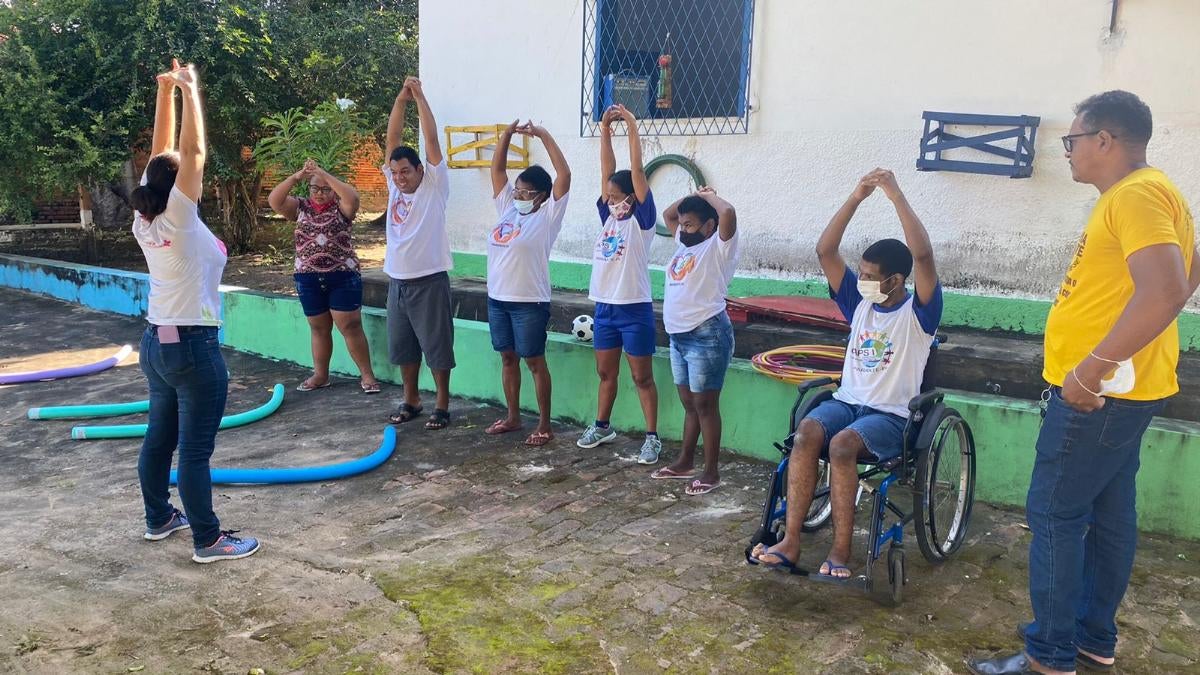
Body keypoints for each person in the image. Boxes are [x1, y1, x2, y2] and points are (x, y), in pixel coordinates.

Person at [968, 92, 1197, 675]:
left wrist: (1090, 368)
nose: (1066, 151)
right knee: (1111, 513)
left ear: (1104, 141)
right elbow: (1184, 278)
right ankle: (1094, 640)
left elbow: (1167, 289)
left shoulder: (1138, 194)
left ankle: (1049, 655)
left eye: (1072, 140)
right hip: (1128, 388)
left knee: (1054, 516)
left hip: (1099, 395)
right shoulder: (1155, 192)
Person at [748, 169, 942, 579]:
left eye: (871, 277)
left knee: (841, 446)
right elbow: (825, 250)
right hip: (848, 402)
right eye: (863, 274)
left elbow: (923, 256)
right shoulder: (860, 304)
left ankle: (840, 550)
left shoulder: (919, 313)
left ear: (896, 280)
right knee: (805, 435)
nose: (863, 281)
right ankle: (792, 540)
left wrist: (895, 195)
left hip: (890, 415)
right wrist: (856, 197)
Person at [130, 60, 259, 563]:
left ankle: (159, 518)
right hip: (192, 345)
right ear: (179, 183)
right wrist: (190, 90)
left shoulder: (147, 216)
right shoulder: (180, 217)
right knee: (196, 451)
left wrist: (165, 94)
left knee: (160, 439)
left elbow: (164, 156)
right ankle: (208, 539)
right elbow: (193, 151)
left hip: (155, 342)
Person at [577, 104, 662, 464]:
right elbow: (606, 170)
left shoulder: (641, 222)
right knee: (604, 372)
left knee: (641, 377)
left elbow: (637, 170)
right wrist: (604, 131)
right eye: (608, 198)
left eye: (616, 197)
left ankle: (652, 437)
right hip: (606, 308)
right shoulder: (608, 219)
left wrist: (629, 124)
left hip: (635, 309)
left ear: (632, 197)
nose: (610, 202)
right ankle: (602, 425)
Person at [483, 119, 571, 446]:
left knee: (534, 361)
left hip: (529, 303)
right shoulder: (507, 209)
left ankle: (544, 424)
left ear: (542, 196)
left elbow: (564, 176)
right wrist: (506, 136)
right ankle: (512, 416)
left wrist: (544, 135)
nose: (518, 195)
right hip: (498, 299)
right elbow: (497, 172)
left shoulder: (547, 217)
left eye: (525, 192)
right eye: (517, 190)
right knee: (507, 357)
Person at [650, 187, 739, 495]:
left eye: (690, 225)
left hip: (707, 334)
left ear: (709, 227)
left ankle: (711, 471)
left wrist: (711, 197)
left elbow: (727, 213)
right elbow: (668, 214)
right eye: (683, 224)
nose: (683, 229)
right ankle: (685, 460)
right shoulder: (684, 243)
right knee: (689, 402)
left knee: (705, 404)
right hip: (679, 336)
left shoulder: (718, 246)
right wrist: (694, 196)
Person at [267, 158, 381, 395]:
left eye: (325, 189)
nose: (319, 193)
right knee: (318, 328)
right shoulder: (300, 206)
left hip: (342, 275)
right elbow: (274, 200)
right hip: (308, 277)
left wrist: (323, 173)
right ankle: (321, 375)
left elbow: (353, 198)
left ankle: (367, 375)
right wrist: (297, 177)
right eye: (315, 188)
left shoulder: (342, 207)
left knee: (350, 326)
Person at [382, 76, 455, 431]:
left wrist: (420, 97)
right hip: (398, 281)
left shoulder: (434, 186)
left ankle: (442, 403)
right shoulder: (393, 187)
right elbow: (392, 140)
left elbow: (430, 139)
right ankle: (411, 399)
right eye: (395, 173)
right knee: (403, 347)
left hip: (429, 281)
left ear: (420, 170)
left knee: (437, 348)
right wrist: (400, 101)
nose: (399, 178)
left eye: (405, 171)